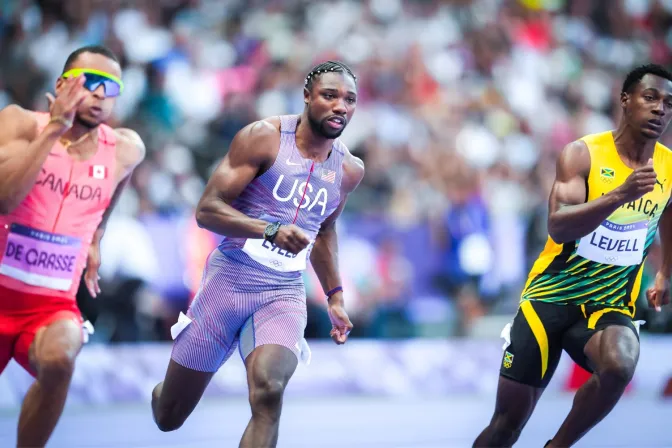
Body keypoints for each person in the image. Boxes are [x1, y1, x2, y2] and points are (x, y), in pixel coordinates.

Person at [151, 60, 364, 447]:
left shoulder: (348, 170)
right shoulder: (263, 138)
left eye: (349, 100)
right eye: (329, 96)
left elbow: (325, 231)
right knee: (169, 416)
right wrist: (269, 229)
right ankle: (165, 391)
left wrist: (335, 297)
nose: (340, 107)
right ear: (306, 97)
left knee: (268, 391)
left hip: (283, 292)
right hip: (229, 281)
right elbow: (207, 209)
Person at [474, 63, 672, 447]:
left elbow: (668, 211)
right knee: (506, 426)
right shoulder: (582, 154)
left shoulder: (668, 166)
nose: (660, 109)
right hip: (549, 300)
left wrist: (665, 271)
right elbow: (559, 226)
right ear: (625, 100)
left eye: (668, 103)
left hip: (609, 304)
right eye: (650, 98)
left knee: (620, 364)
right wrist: (618, 196)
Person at [0, 45, 146, 447]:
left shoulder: (125, 149)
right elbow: (5, 200)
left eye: (111, 88)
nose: (100, 94)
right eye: (90, 83)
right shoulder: (18, 124)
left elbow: (118, 183)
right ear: (62, 84)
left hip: (50, 306)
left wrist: (98, 235)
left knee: (61, 357)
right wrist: (54, 129)